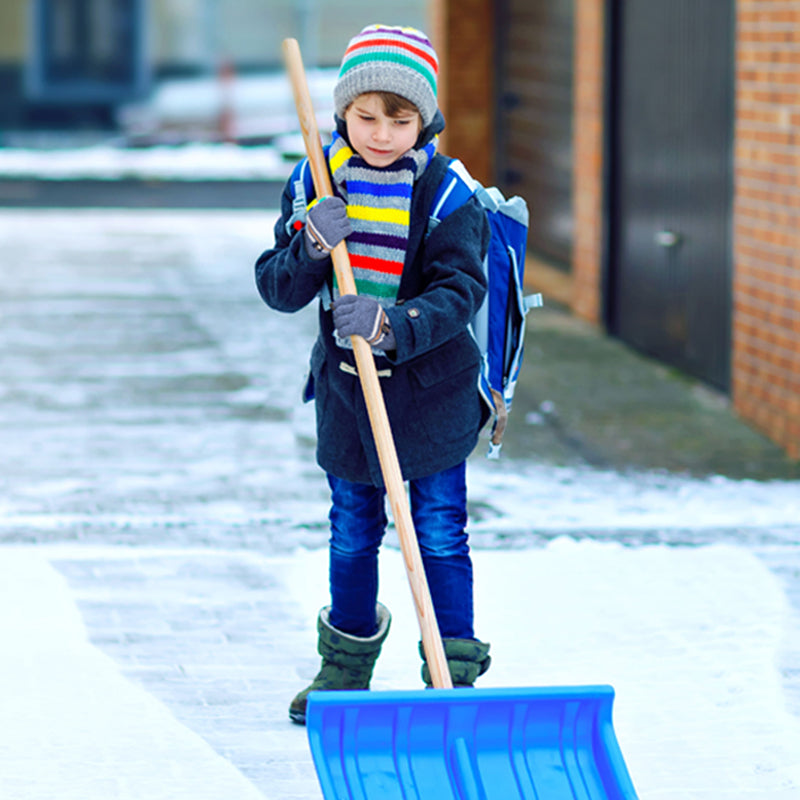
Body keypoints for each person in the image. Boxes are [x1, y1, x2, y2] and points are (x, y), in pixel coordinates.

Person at [255, 23, 492, 725]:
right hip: (349, 398)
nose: (382, 133)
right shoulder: (314, 181)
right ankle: (345, 669)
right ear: (341, 113)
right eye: (366, 116)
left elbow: (460, 292)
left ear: (425, 120)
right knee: (353, 529)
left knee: (441, 530)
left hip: (434, 394)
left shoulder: (448, 195)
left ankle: (453, 676)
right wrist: (312, 241)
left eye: (400, 118)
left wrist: (392, 326)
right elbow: (278, 287)